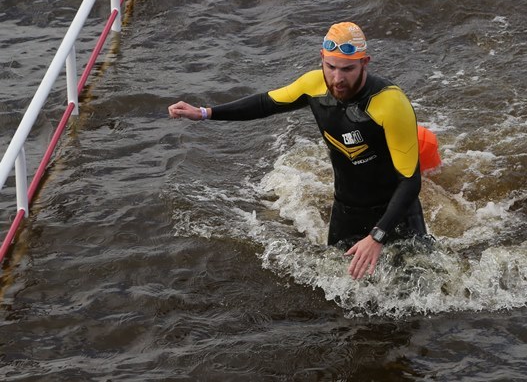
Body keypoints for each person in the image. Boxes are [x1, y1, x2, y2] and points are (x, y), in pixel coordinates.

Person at [167, 22, 427, 280]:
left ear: (365, 63)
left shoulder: (391, 103)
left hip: (397, 213)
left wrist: (377, 236)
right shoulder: (313, 85)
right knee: (337, 288)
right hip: (347, 210)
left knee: (418, 290)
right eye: (331, 67)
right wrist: (204, 113)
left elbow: (410, 181)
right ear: (321, 58)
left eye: (348, 69)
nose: (337, 79)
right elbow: (265, 103)